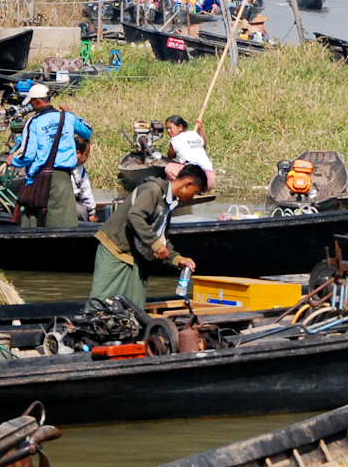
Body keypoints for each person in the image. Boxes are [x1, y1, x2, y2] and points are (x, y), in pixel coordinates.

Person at [92, 163, 205, 306]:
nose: (192, 197)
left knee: (135, 308)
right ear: (188, 184)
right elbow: (135, 216)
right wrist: (155, 245)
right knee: (100, 302)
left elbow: (160, 238)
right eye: (195, 192)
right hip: (115, 249)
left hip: (134, 257)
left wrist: (177, 259)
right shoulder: (153, 190)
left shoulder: (168, 203)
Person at [12, 85, 93, 227]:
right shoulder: (67, 118)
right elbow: (87, 132)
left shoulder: (33, 123)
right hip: (63, 178)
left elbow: (28, 155)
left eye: (32, 102)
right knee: (62, 219)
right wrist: (71, 115)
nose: (31, 105)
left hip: (40, 177)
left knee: (34, 216)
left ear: (38, 101)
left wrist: (12, 160)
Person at [164, 114, 214, 188]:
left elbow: (170, 156)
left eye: (170, 128)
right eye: (167, 129)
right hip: (210, 181)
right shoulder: (194, 134)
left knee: (169, 167)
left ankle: (186, 188)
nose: (168, 131)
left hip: (196, 180)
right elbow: (203, 145)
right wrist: (200, 129)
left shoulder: (175, 139)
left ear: (180, 127)